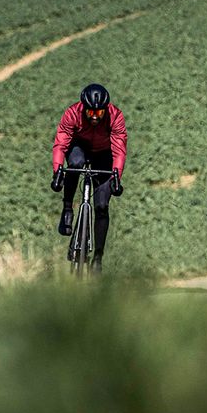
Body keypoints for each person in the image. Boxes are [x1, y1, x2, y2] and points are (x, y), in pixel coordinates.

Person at [50, 83, 127, 272]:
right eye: (90, 112)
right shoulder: (72, 114)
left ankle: (98, 257)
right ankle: (67, 208)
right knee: (74, 165)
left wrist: (116, 175)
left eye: (99, 113)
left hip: (104, 153)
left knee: (101, 206)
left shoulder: (115, 116)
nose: (94, 116)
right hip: (80, 147)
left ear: (105, 110)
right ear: (83, 108)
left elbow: (119, 149)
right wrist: (58, 170)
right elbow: (61, 144)